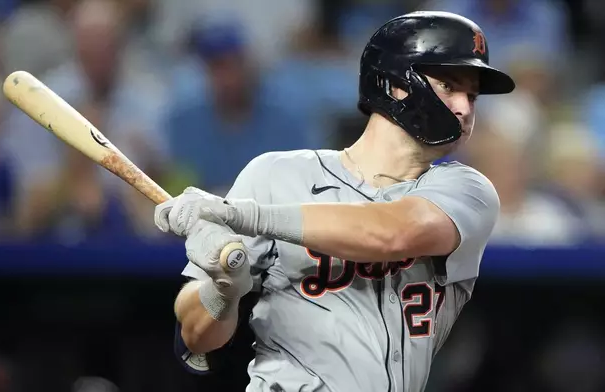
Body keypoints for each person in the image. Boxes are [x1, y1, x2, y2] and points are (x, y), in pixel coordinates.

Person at [155, 11, 515, 392]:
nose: (464, 108)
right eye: (448, 86)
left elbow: (390, 234)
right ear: (394, 84)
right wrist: (222, 289)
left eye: (472, 95)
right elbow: (195, 339)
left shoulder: (466, 190)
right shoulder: (276, 175)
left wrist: (241, 214)